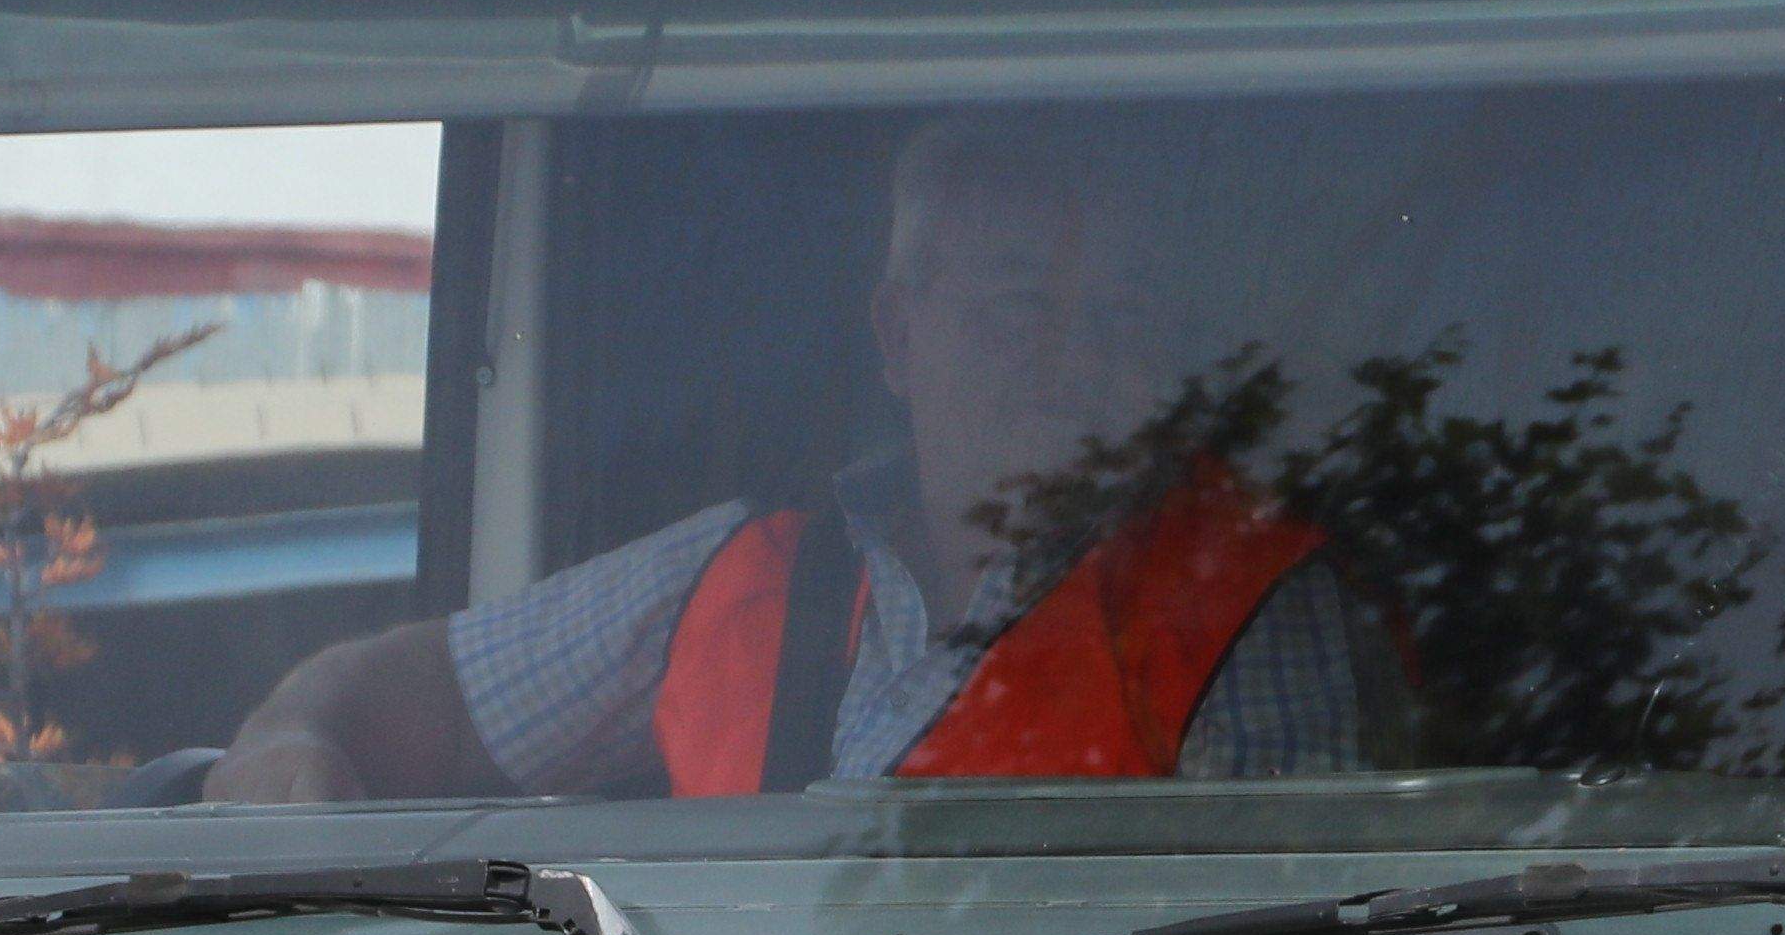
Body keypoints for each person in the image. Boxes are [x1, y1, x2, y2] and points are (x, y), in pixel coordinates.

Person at [212, 118, 1391, 802]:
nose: (1073, 363)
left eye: (1119, 321)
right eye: (1020, 308)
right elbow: (418, 703)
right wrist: (293, 756)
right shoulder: (746, 574)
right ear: (898, 336)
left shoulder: (1245, 618)